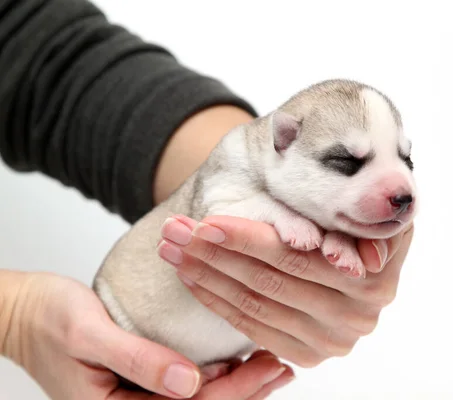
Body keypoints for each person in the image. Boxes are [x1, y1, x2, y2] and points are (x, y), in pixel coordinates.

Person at [0, 0, 415, 399]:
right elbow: (217, 217)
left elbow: (33, 46)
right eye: (347, 161)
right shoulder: (251, 164)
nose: (399, 188)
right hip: (126, 318)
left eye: (404, 155)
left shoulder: (259, 158)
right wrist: (13, 317)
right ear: (284, 141)